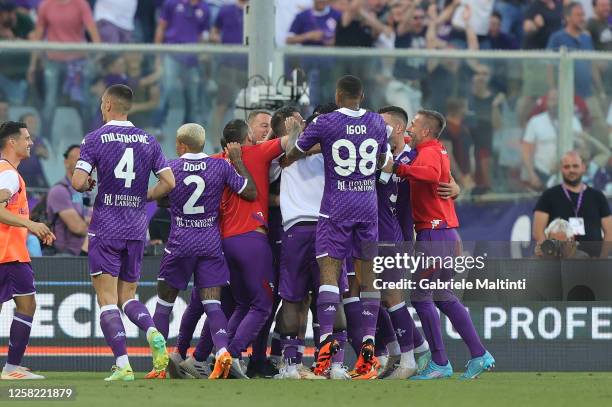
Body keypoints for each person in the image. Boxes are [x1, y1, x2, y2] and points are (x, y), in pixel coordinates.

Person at [285, 75, 393, 379]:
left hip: (337, 206)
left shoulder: (326, 123)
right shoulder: (376, 123)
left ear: (338, 94)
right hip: (368, 203)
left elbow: (294, 153)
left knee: (329, 275)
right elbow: (384, 158)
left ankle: (325, 345)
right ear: (362, 95)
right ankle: (370, 344)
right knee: (367, 277)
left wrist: (293, 140)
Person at [71, 84, 176, 381]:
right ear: (128, 107)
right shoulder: (148, 140)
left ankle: (123, 364)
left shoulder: (95, 138)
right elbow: (169, 182)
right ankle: (153, 330)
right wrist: (147, 196)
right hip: (135, 228)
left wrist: (89, 183)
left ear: (106, 105)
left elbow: (78, 182)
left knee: (106, 299)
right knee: (128, 296)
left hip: (106, 226)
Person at [175, 118, 293, 379]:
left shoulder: (214, 161)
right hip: (251, 239)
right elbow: (291, 141)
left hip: (221, 241)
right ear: (246, 137)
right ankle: (231, 356)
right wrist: (293, 126)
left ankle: (194, 358)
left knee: (234, 304)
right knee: (262, 304)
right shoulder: (257, 152)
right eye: (255, 130)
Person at [394, 109, 494, 380]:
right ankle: (478, 354)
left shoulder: (428, 152)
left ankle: (440, 361)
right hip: (443, 233)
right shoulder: (434, 149)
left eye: (413, 125)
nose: (409, 129)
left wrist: (397, 168)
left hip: (435, 235)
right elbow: (437, 174)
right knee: (443, 297)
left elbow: (428, 173)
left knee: (421, 297)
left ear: (425, 131)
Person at [150, 123, 256, 380]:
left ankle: (160, 364)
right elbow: (250, 192)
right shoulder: (219, 166)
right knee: (213, 304)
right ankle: (221, 353)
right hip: (209, 242)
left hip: (179, 244)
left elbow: (162, 198)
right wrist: (239, 162)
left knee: (164, 304)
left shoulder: (171, 167)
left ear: (180, 144)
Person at [0, 120, 55, 380]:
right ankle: (11, 369)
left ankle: (12, 367)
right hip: (8, 254)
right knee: (27, 304)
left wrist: (31, 227)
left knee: (25, 304)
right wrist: (31, 223)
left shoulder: (6, 171)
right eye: (26, 138)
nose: (31, 142)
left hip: (9, 252)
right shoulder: (9, 174)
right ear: (12, 142)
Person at [533, 151, 612, 258]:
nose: (571, 170)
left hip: (593, 264)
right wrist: (549, 254)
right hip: (559, 264)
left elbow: (609, 231)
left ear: (583, 167)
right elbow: (538, 231)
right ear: (561, 169)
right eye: (567, 166)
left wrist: (602, 259)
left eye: (575, 166)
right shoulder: (548, 195)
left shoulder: (598, 196)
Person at [46, 144, 89, 256]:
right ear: (66, 162)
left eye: (84, 161)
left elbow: (93, 217)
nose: (82, 164)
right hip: (67, 254)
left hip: (88, 249)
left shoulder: (86, 191)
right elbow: (77, 227)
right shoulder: (59, 191)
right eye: (78, 160)